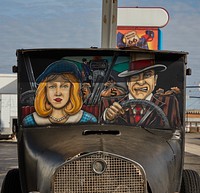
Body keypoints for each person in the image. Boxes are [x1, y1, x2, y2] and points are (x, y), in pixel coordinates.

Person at [102, 53, 181, 128]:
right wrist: (107, 116)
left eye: (147, 75)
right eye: (135, 76)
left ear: (155, 80)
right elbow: (97, 130)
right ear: (128, 82)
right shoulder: (109, 103)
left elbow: (175, 132)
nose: (141, 82)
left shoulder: (170, 102)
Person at [23, 59, 97, 127]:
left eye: (64, 86)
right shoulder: (30, 121)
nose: (58, 93)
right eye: (52, 87)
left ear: (73, 90)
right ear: (44, 90)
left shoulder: (88, 119)